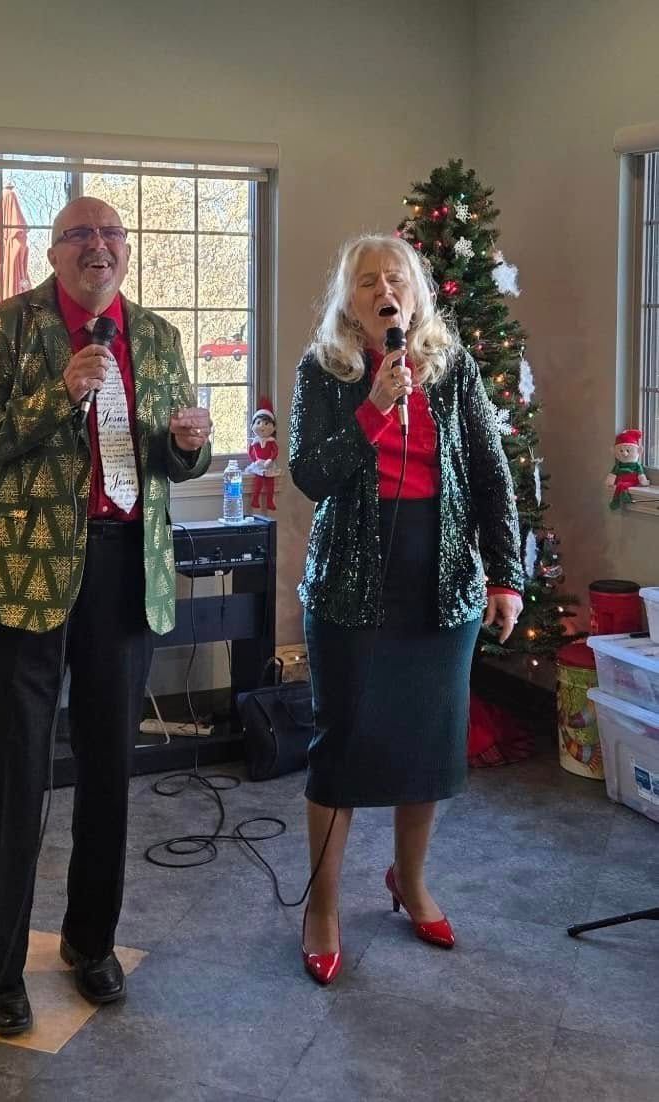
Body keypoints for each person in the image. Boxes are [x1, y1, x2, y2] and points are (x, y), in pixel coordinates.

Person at [0, 196, 212, 1034]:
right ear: (55, 255)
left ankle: (90, 944)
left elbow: (170, 457)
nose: (99, 247)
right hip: (22, 578)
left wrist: (192, 445)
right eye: (81, 236)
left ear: (125, 251)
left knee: (107, 770)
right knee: (12, 774)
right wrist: (57, 396)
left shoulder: (158, 337)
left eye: (111, 235)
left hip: (125, 570)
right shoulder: (8, 330)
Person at [289, 233, 523, 985]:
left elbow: (491, 476)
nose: (384, 289)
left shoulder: (452, 370)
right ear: (349, 303)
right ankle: (322, 906)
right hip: (351, 584)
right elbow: (310, 475)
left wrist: (507, 576)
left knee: (428, 743)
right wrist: (374, 407)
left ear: (416, 295)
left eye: (397, 279)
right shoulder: (324, 372)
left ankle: (409, 880)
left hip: (442, 580)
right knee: (344, 745)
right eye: (367, 281)